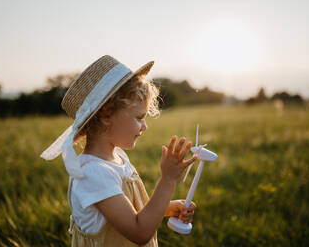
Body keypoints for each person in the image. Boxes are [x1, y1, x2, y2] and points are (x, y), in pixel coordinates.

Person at [40, 55, 197, 246]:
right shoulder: (93, 173)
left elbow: (133, 212)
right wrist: (168, 179)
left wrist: (168, 207)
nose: (144, 126)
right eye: (139, 117)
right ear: (106, 114)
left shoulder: (118, 158)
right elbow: (139, 231)